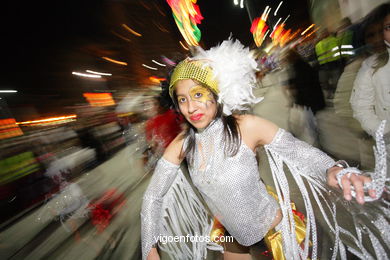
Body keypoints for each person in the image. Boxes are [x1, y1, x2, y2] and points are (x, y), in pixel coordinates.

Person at [141, 39, 388, 260]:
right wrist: (149, 247)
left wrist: (333, 169)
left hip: (277, 237)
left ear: (216, 94)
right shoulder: (182, 145)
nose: (191, 106)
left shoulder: (246, 126)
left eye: (198, 94)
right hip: (233, 241)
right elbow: (153, 196)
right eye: (182, 99)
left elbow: (298, 150)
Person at [350, 3, 390, 173]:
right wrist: (383, 133)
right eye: (387, 27)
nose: (377, 39)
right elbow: (360, 106)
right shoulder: (372, 67)